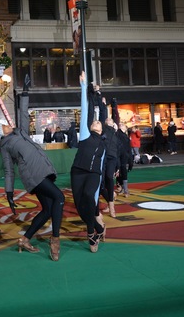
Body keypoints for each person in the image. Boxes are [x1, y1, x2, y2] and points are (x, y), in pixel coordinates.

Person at [0, 81, 64, 261]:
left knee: (48, 209)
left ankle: (24, 239)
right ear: (0, 132)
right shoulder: (5, 145)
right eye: (4, 125)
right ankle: (55, 239)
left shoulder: (20, 133)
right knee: (59, 198)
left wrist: (25, 93)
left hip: (42, 170)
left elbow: (23, 115)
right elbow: (9, 170)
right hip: (33, 175)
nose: (8, 124)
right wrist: (9, 192)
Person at [70, 71, 106, 253]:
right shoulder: (85, 135)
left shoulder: (104, 143)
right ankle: (99, 229)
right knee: (80, 206)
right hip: (77, 172)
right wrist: (83, 86)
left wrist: (100, 188)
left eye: (99, 122)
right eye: (94, 122)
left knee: (89, 198)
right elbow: (85, 110)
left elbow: (101, 165)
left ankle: (91, 234)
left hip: (93, 174)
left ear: (102, 128)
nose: (96, 122)